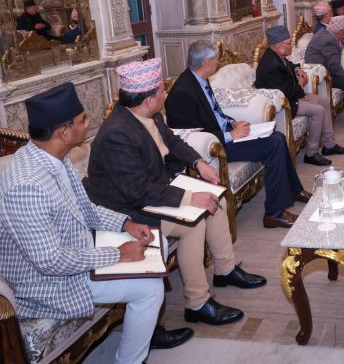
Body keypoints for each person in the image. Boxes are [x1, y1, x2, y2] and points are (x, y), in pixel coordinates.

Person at [0, 83, 191, 364]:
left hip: (77, 249)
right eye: (82, 120)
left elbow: (85, 208)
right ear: (63, 132)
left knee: (155, 241)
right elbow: (50, 261)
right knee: (149, 288)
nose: (88, 123)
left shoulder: (53, 157)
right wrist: (117, 254)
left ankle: (145, 334)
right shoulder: (26, 186)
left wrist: (125, 224)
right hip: (48, 283)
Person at [86, 59, 266, 327]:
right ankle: (198, 303)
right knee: (192, 224)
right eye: (162, 90)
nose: (165, 94)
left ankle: (225, 270)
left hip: (151, 192)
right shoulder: (117, 134)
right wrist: (190, 198)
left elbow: (171, 140)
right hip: (128, 209)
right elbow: (137, 191)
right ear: (149, 99)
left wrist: (199, 162)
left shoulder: (148, 115)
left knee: (215, 200)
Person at [165, 42, 309, 227]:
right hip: (215, 147)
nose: (218, 63)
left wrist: (231, 122)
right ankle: (274, 213)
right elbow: (191, 135)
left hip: (225, 133)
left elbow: (214, 112)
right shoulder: (182, 93)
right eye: (215, 59)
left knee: (278, 137)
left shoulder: (199, 79)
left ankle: (292, 190)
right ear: (206, 63)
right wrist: (231, 135)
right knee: (274, 144)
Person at [254, 25, 344, 166]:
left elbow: (289, 64)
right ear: (278, 46)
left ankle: (329, 145)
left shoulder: (276, 55)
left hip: (291, 96)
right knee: (318, 111)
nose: (291, 46)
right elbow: (286, 93)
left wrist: (297, 69)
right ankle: (311, 153)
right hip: (282, 105)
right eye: (289, 43)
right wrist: (301, 84)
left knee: (323, 101)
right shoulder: (271, 65)